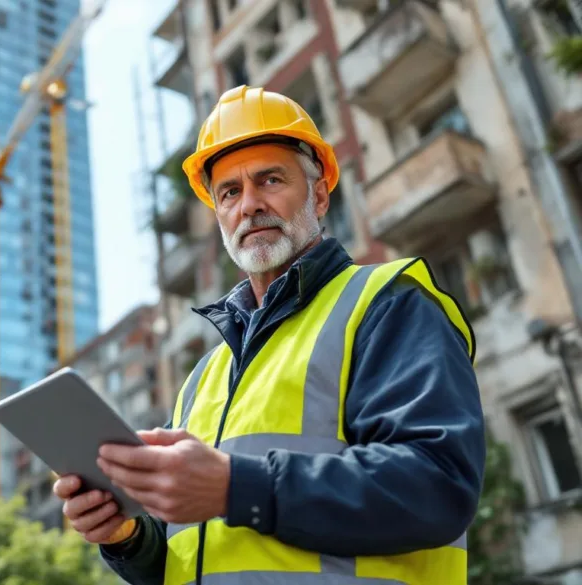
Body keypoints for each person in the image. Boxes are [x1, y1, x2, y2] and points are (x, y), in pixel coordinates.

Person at [52, 85, 485, 585]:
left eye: (270, 180)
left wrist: (235, 486)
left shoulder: (387, 304)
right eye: (229, 192)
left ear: (319, 194)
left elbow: (439, 487)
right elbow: (193, 559)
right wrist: (126, 537)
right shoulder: (204, 377)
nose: (249, 205)